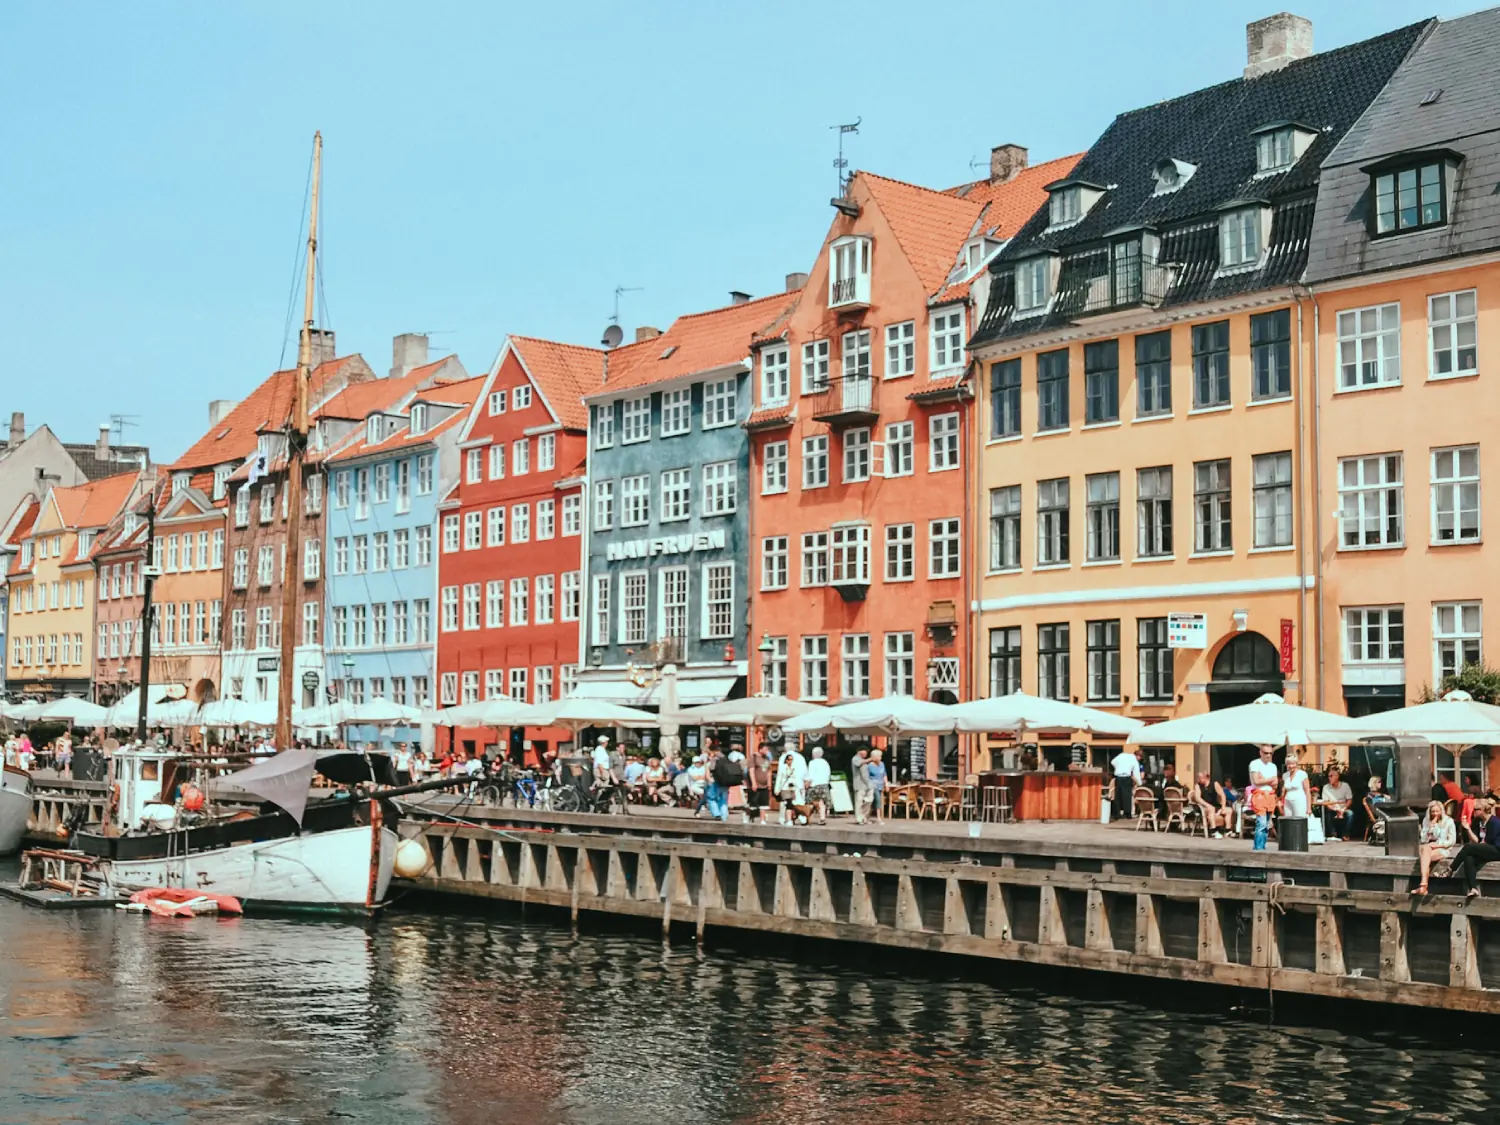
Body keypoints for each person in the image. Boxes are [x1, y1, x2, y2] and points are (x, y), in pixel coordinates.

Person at [1450, 799, 1500, 899]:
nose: (1474, 811)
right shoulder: (1478, 821)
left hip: (1496, 849)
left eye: (1477, 809)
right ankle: (1473, 888)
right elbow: (1476, 840)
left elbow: (1488, 842)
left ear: (1484, 810)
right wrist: (1467, 828)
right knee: (1469, 858)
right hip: (1485, 849)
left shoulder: (1494, 822)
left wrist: (1477, 846)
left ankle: (1451, 868)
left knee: (1468, 847)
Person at [1414, 799, 1459, 895]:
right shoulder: (1426, 821)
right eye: (1433, 811)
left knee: (1424, 858)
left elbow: (1452, 841)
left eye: (1437, 811)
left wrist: (1438, 844)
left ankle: (1423, 885)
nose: (1435, 813)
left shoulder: (1449, 821)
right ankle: (1423, 886)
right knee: (1425, 849)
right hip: (1428, 847)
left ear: (1441, 811)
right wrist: (1430, 827)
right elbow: (1423, 839)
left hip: (1442, 848)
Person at [1248, 747, 1279, 851]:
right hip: (1260, 796)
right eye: (1266, 753)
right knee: (1261, 823)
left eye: (1271, 753)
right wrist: (1270, 779)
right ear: (1260, 752)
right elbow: (1256, 781)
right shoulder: (1255, 764)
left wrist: (1263, 780)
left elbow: (1275, 784)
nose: (1268, 755)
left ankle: (1262, 847)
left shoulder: (1273, 766)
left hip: (1270, 795)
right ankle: (1258, 848)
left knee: (1267, 825)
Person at [1191, 772, 1233, 838]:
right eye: (1198, 778)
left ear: (1205, 778)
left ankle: (1228, 830)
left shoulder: (1214, 784)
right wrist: (1207, 805)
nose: (1198, 780)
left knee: (1229, 810)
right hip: (1203, 806)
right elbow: (1198, 798)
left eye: (1200, 778)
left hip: (1215, 805)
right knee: (1211, 809)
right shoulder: (1197, 785)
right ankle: (1213, 831)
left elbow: (1222, 795)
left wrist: (1223, 807)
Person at [774, 745, 808, 825]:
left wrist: (777, 788)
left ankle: (783, 819)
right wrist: (806, 780)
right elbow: (805, 771)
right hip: (798, 783)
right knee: (799, 802)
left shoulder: (783, 757)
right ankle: (802, 817)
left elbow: (780, 774)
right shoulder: (800, 757)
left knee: (785, 803)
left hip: (785, 785)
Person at [1318, 766, 1354, 840]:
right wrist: (1335, 809)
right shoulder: (1326, 787)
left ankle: (1345, 834)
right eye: (1328, 776)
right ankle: (1332, 834)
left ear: (1337, 776)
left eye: (1331, 776)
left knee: (1350, 814)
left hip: (1343, 808)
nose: (1329, 778)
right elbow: (1326, 802)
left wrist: (1343, 809)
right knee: (1328, 813)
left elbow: (1349, 800)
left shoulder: (1345, 786)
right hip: (1332, 808)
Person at [707, 748, 741, 823]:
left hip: (717, 782)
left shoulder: (715, 759)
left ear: (714, 751)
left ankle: (716, 814)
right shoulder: (727, 759)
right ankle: (724, 816)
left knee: (711, 798)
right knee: (724, 800)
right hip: (726, 783)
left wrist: (710, 759)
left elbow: (711, 768)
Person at [1109, 745, 1142, 822]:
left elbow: (1112, 762)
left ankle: (1117, 814)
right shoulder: (1134, 760)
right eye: (1140, 757)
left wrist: (1118, 767)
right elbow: (1136, 772)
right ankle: (1127, 814)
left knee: (1118, 795)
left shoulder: (1122, 755)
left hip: (1118, 777)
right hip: (1126, 777)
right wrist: (1140, 783)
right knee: (1127, 795)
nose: (1139, 759)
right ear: (1138, 756)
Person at [744, 746, 771, 824]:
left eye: (767, 749)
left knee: (764, 803)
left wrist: (769, 782)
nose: (767, 751)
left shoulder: (767, 758)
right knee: (753, 803)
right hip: (755, 785)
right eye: (765, 749)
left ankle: (762, 819)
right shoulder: (754, 758)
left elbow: (769, 771)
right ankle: (748, 816)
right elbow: (751, 771)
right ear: (760, 749)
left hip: (764, 785)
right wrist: (753, 783)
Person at [1280, 752, 1311, 820]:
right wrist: (1281, 802)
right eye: (1288, 764)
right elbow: (1283, 791)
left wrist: (1309, 807)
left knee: (1299, 822)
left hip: (1300, 801)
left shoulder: (1302, 774)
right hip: (1287, 801)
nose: (1291, 766)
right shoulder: (1285, 775)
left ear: (1296, 763)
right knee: (1288, 821)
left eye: (1293, 764)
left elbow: (1307, 792)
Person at [806, 746, 832, 825]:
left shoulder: (812, 762)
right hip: (824, 784)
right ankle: (822, 817)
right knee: (822, 802)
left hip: (815, 784)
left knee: (810, 801)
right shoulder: (825, 762)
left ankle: (806, 817)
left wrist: (808, 783)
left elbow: (810, 774)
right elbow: (828, 773)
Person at [864, 749, 888, 825]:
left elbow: (884, 774)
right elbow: (866, 776)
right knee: (877, 800)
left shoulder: (882, 764)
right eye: (879, 756)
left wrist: (886, 784)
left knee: (873, 802)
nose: (880, 757)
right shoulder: (869, 766)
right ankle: (878, 818)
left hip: (880, 785)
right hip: (873, 786)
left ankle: (867, 817)